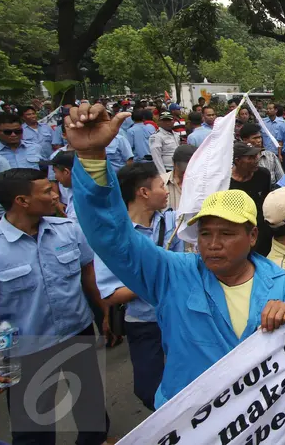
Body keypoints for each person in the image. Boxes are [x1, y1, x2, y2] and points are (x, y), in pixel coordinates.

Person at [66, 102, 285, 409]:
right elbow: (113, 237)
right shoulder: (171, 274)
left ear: (252, 237)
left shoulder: (280, 282)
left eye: (226, 234)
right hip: (192, 423)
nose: (212, 243)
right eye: (205, 233)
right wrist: (91, 158)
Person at [0, 167, 112, 445]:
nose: (55, 194)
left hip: (77, 332)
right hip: (27, 347)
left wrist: (104, 314)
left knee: (91, 408)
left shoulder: (67, 229)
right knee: (32, 429)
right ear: (22, 201)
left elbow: (88, 276)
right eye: (46, 191)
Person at [95, 162, 183, 411]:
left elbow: (183, 266)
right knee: (147, 388)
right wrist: (155, 276)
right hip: (143, 322)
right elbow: (112, 293)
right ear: (143, 192)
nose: (167, 191)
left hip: (178, 314)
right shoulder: (113, 237)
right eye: (160, 186)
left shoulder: (174, 222)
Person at [230, 143, 273, 256]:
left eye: (256, 156)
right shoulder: (226, 183)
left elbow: (266, 201)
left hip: (262, 232)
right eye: (251, 157)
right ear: (237, 161)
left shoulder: (263, 175)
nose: (256, 160)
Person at [42, 150, 78, 220]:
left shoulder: (82, 197)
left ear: (66, 172)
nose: (55, 177)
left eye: (55, 172)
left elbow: (75, 226)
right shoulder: (72, 190)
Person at [163, 144, 195, 211]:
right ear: (173, 163)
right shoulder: (161, 183)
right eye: (182, 171)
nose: (186, 174)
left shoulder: (202, 184)